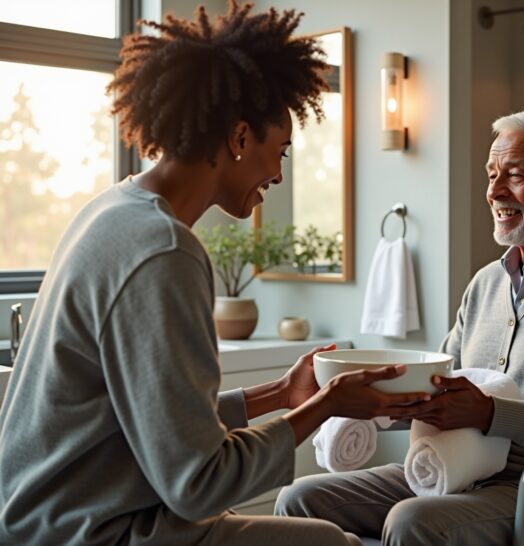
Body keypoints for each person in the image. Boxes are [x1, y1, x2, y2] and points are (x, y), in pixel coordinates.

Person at [0, 3, 430, 546]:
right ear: (239, 137)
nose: (277, 174)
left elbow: (158, 425)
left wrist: (278, 394)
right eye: (280, 153)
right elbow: (198, 484)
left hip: (43, 520)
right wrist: (328, 407)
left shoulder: (111, 211)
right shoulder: (164, 252)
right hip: (95, 532)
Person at [275, 107, 524, 545]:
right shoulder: (486, 283)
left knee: (411, 521)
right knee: (299, 500)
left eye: (513, 174)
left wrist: (495, 414)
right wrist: (369, 400)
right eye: (491, 174)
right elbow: (439, 388)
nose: (494, 191)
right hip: (451, 470)